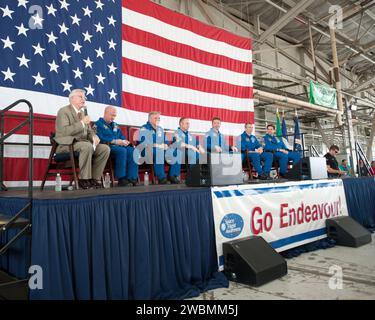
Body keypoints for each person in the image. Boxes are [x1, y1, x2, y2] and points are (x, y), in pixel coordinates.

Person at [55, 89, 110, 189]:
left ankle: (94, 178)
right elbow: (64, 132)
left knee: (104, 148)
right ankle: (84, 179)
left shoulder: (83, 113)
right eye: (80, 97)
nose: (84, 99)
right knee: (87, 146)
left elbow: (89, 131)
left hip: (82, 144)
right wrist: (81, 123)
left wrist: (94, 136)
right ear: (72, 98)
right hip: (66, 145)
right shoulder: (64, 111)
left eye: (84, 97)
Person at [95, 106, 138, 187]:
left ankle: (132, 177)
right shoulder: (98, 124)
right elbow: (98, 138)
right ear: (105, 113)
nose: (113, 118)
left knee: (132, 150)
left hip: (119, 145)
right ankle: (121, 178)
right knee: (122, 151)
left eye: (114, 116)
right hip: (107, 146)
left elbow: (122, 137)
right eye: (112, 115)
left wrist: (125, 141)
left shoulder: (115, 125)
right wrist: (114, 141)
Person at [167, 117, 205, 183]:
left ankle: (195, 175)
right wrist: (191, 147)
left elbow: (198, 144)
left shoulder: (190, 135)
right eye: (187, 123)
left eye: (189, 123)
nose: (188, 125)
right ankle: (173, 176)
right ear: (181, 124)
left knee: (197, 154)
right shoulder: (176, 133)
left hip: (188, 153)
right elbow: (180, 144)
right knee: (180, 152)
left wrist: (204, 153)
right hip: (177, 151)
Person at [137, 111, 169, 184]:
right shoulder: (144, 128)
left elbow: (165, 142)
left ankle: (173, 176)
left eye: (159, 118)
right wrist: (158, 146)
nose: (158, 120)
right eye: (156, 118)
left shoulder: (160, 129)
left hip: (159, 149)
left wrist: (165, 146)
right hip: (146, 150)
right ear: (150, 119)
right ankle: (161, 177)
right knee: (159, 152)